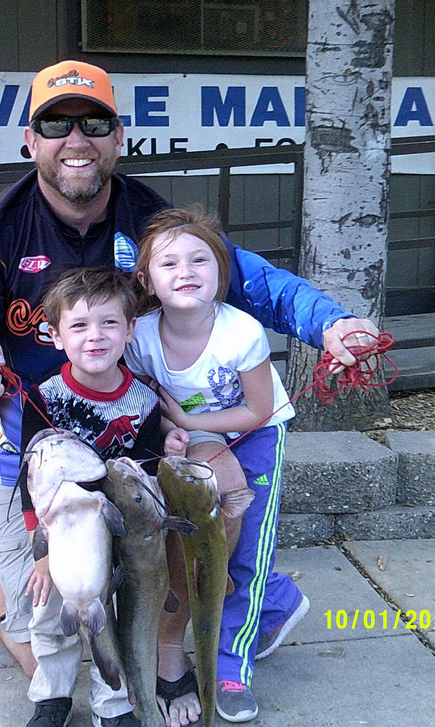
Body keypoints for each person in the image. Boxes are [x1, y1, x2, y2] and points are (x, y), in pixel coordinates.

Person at [0, 58, 378, 727]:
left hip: (131, 429)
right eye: (57, 123)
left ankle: (232, 602)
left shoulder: (153, 220)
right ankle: (1, 546)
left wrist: (330, 321)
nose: (76, 138)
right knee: (53, 652)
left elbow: (250, 278)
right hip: (33, 450)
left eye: (94, 122)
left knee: (171, 553)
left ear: (118, 136)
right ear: (31, 140)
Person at [124, 206, 303, 724]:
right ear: (148, 281)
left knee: (244, 550)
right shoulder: (140, 335)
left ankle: (230, 665)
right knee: (189, 546)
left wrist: (185, 416)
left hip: (254, 433)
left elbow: (259, 408)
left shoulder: (241, 331)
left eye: (201, 260)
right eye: (169, 263)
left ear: (221, 272)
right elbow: (146, 401)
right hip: (194, 436)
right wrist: (171, 431)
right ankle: (277, 600)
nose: (186, 272)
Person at [17, 267, 186, 727]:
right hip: (61, 533)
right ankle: (51, 697)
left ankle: (114, 705)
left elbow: (145, 483)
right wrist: (39, 551)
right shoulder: (44, 398)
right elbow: (28, 476)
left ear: (130, 329)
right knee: (50, 615)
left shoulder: (144, 403)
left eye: (109, 323)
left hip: (115, 533)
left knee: (111, 615)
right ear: (55, 335)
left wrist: (167, 450)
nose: (95, 337)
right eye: (79, 326)